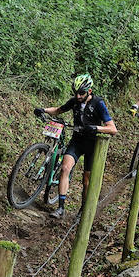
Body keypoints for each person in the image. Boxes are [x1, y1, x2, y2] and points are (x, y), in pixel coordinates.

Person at [37, 73, 117, 220]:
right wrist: (44, 110)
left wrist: (96, 128)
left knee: (86, 181)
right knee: (65, 168)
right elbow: (59, 110)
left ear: (89, 91)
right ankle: (61, 208)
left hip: (92, 144)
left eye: (81, 93)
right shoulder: (74, 101)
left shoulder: (98, 103)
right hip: (77, 141)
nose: (78, 96)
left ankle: (83, 209)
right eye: (76, 93)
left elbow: (112, 128)